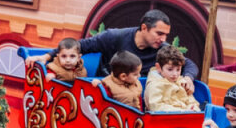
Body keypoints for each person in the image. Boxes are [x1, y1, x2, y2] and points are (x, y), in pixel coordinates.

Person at [26, 9, 199, 80]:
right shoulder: (115, 36)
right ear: (144, 28)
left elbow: (188, 64)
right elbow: (80, 46)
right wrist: (48, 55)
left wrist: (189, 78)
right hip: (105, 90)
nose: (163, 39)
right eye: (159, 33)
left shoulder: (162, 48)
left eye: (166, 35)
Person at [144, 45, 198, 112]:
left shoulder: (181, 81)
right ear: (158, 67)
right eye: (170, 69)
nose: (175, 74)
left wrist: (193, 108)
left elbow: (191, 101)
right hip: (163, 119)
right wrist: (182, 111)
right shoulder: (154, 85)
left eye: (178, 70)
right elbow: (156, 107)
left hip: (184, 116)